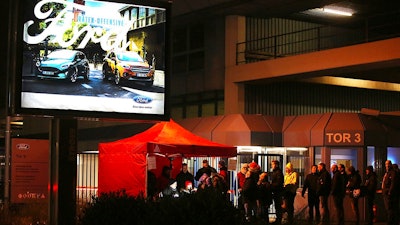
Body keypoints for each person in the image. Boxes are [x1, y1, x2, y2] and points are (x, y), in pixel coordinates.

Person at [382, 160, 399, 225]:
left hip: (388, 193)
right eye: (386, 164)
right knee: (389, 209)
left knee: (390, 209)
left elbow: (393, 183)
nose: (386, 166)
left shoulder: (392, 173)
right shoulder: (387, 173)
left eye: (388, 164)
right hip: (386, 193)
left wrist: (389, 192)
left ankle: (390, 222)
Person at [270, 160, 284, 225]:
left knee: (278, 206)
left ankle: (279, 220)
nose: (272, 166)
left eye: (273, 164)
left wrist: (271, 185)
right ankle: (278, 219)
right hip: (275, 191)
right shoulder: (274, 172)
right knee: (276, 206)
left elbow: (278, 183)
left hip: (278, 191)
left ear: (276, 165)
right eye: (272, 164)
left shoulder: (278, 172)